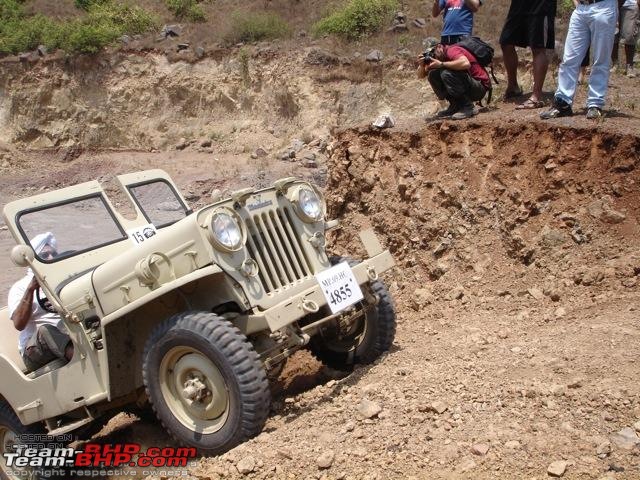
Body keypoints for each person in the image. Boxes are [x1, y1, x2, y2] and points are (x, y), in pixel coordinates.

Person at [541, 0, 618, 120]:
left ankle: (595, 104)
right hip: (581, 9)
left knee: (600, 59)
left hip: (603, 7)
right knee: (569, 59)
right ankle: (563, 103)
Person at [8, 232, 73, 371]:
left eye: (54, 254)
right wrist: (31, 290)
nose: (51, 258)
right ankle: (79, 360)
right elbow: (19, 324)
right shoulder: (20, 287)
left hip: (68, 333)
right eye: (44, 256)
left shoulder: (62, 280)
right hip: (35, 351)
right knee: (45, 330)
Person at [499, 0, 557, 109]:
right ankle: (513, 87)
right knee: (506, 42)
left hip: (540, 5)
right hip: (519, 5)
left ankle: (536, 96)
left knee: (538, 47)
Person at [418, 42, 491, 119]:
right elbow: (420, 76)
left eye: (433, 52)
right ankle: (455, 105)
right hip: (469, 86)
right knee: (433, 74)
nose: (433, 56)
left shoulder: (451, 50)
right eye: (429, 54)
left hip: (479, 88)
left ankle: (468, 107)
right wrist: (422, 65)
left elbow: (466, 64)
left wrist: (442, 64)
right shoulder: (437, 57)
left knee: (446, 73)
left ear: (439, 47)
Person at [613, 0, 639, 76]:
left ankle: (629, 66)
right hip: (611, 5)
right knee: (613, 34)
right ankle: (615, 64)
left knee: (630, 35)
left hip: (630, 5)